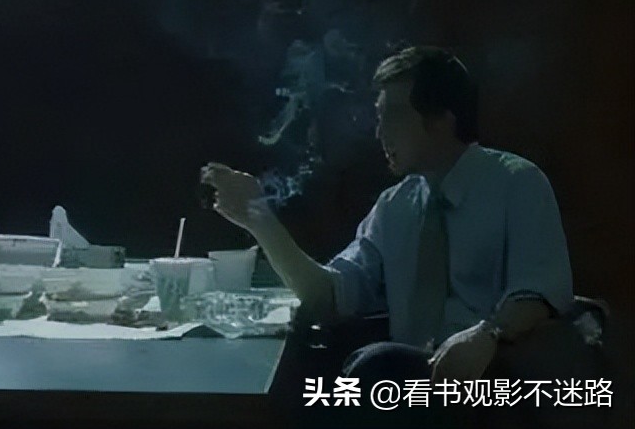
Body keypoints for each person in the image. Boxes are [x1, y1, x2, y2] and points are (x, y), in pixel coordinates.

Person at [201, 46, 578, 391]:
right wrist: (260, 220)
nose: (379, 132)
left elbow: (540, 290)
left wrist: (488, 335)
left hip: (493, 376)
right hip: (414, 382)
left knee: (374, 367)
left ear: (441, 121)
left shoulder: (516, 183)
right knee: (314, 381)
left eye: (393, 116)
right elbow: (328, 297)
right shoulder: (395, 206)